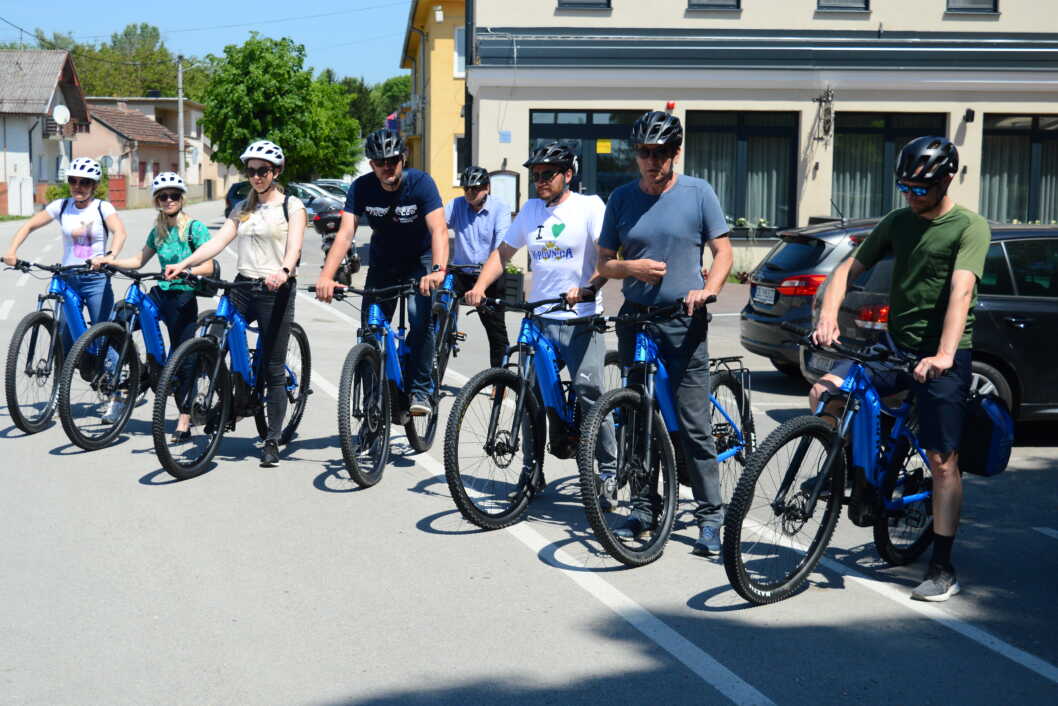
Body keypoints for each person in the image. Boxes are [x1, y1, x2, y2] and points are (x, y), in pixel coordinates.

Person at [810, 136, 988, 602]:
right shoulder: (898, 221)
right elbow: (848, 268)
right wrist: (829, 314)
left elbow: (961, 292)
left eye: (920, 188)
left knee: (942, 462)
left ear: (946, 179)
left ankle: (943, 566)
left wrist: (945, 355)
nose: (911, 196)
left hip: (943, 353)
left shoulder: (968, 227)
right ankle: (845, 473)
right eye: (905, 187)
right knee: (826, 391)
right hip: (895, 344)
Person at [596, 110, 734, 557]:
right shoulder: (620, 198)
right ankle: (644, 504)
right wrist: (629, 267)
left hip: (682, 319)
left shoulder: (699, 193)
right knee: (637, 415)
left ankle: (711, 516)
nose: (651, 162)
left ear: (675, 154)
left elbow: (724, 251)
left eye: (660, 154)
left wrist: (708, 290)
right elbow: (603, 263)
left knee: (692, 421)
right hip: (635, 318)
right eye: (644, 153)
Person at [465, 142, 616, 489]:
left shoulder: (590, 207)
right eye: (536, 176)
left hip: (581, 318)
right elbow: (502, 254)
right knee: (528, 394)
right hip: (541, 320)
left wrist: (589, 287)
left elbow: (608, 258)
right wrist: (480, 287)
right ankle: (532, 469)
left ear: (568, 175)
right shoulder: (531, 211)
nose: (541, 181)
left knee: (589, 390)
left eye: (548, 175)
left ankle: (608, 468)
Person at [165, 140, 306, 468]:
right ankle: (228, 397)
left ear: (276, 171)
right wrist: (184, 264)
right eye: (251, 171)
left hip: (275, 288)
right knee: (216, 338)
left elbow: (295, 247)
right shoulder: (243, 207)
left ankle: (271, 438)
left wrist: (284, 271)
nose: (256, 177)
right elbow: (218, 241)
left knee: (272, 367)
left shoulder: (292, 206)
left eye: (262, 171)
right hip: (243, 284)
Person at [314, 129, 448, 416]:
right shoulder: (361, 188)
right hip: (383, 263)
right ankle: (372, 402)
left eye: (393, 160)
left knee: (419, 319)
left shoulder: (421, 183)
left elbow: (438, 229)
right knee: (370, 331)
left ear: (403, 158)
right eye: (379, 162)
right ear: (372, 165)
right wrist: (327, 276)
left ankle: (421, 390)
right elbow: (345, 233)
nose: (387, 166)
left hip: (419, 262)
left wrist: (437, 270)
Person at [100, 172, 216, 439]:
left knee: (183, 358)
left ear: (181, 198)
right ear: (157, 201)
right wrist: (110, 260)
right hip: (160, 293)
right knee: (120, 318)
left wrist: (188, 270)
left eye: (173, 195)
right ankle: (138, 370)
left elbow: (208, 265)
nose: (168, 200)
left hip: (184, 295)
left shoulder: (194, 228)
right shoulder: (159, 230)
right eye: (162, 196)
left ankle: (184, 418)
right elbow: (139, 260)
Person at [3, 157, 128, 351]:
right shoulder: (61, 206)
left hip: (96, 280)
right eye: (73, 181)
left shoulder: (102, 208)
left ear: (94, 185)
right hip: (69, 278)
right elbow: (28, 225)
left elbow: (119, 232)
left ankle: (116, 374)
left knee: (102, 336)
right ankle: (64, 377)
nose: (78, 186)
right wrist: (12, 251)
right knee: (64, 338)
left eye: (85, 182)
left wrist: (110, 256)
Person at [445, 165, 511, 368]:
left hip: (488, 275)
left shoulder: (500, 208)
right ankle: (437, 359)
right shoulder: (456, 205)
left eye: (475, 189)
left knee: (496, 331)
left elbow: (501, 248)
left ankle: (500, 379)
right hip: (461, 273)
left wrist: (482, 284)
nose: (470, 193)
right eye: (466, 189)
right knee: (436, 313)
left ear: (487, 188)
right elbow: (437, 228)